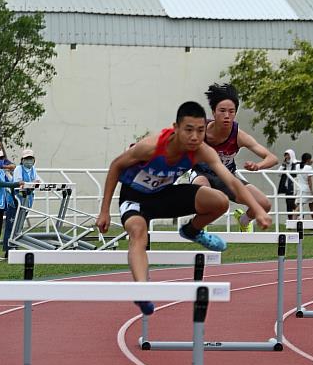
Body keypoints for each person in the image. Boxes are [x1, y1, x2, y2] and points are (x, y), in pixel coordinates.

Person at [96, 101, 271, 314]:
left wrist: (258, 210)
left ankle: (192, 230)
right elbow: (116, 165)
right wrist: (104, 211)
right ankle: (142, 290)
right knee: (138, 233)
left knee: (220, 201)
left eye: (200, 131)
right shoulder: (151, 146)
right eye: (188, 130)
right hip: (135, 198)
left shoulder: (201, 151)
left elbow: (232, 182)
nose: (195, 137)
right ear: (176, 128)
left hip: (165, 195)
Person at [190, 83, 276, 232]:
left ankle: (243, 220)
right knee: (208, 195)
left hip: (227, 178)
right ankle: (198, 228)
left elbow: (272, 158)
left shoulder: (239, 136)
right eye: (222, 111)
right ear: (213, 112)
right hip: (202, 173)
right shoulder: (200, 130)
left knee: (265, 204)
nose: (227, 116)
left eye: (231, 112)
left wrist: (258, 166)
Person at [0, 149, 23, 261]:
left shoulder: (1, 171)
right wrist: (16, 184)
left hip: (1, 203)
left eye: (2, 158)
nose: (1, 161)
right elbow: (0, 183)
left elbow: (9, 180)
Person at [294, 152, 313, 220]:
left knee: (310, 204)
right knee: (310, 205)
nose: (312, 160)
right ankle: (293, 219)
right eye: (311, 159)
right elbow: (309, 181)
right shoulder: (309, 168)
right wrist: (311, 191)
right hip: (306, 189)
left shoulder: (297, 166)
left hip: (299, 188)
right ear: (308, 160)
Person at [277, 149, 298, 221]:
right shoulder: (285, 165)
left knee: (293, 203)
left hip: (295, 187)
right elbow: (278, 173)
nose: (286, 157)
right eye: (285, 155)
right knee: (288, 205)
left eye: (288, 155)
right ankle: (290, 220)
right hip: (287, 187)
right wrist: (283, 165)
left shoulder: (297, 164)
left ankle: (299, 218)